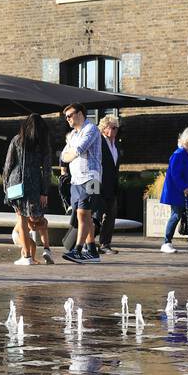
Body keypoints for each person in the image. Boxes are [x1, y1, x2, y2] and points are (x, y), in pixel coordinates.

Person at [4, 113, 55, 266]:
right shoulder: (44, 144)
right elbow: (47, 170)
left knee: (21, 219)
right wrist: (44, 192)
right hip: (34, 183)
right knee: (35, 218)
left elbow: (8, 164)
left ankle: (26, 256)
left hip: (16, 182)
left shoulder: (17, 140)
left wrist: (5, 186)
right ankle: (41, 249)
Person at [59, 104, 102, 263]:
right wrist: (71, 153)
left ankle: (77, 250)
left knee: (83, 213)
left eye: (70, 115)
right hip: (76, 180)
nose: (68, 119)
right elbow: (64, 156)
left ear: (80, 114)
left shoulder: (91, 129)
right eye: (66, 117)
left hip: (92, 177)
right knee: (85, 214)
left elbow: (78, 150)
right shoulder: (73, 134)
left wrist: (72, 153)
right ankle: (91, 250)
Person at [160, 127, 188, 254]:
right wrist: (184, 187)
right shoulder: (179, 154)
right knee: (176, 216)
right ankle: (166, 242)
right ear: (185, 140)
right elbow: (175, 174)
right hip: (178, 192)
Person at [96, 115, 121, 253]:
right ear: (104, 128)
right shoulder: (99, 142)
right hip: (99, 184)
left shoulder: (116, 144)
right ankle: (87, 244)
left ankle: (105, 244)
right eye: (112, 127)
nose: (115, 130)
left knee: (110, 215)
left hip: (112, 186)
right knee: (96, 215)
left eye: (116, 128)